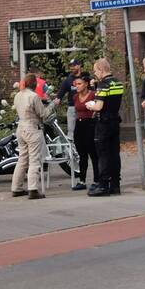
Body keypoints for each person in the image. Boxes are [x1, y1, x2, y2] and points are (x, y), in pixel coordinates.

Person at [86, 58, 124, 196]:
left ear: (101, 70)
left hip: (103, 123)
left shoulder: (103, 85)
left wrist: (90, 105)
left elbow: (99, 106)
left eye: (96, 71)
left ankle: (103, 185)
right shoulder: (118, 83)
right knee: (115, 154)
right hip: (115, 121)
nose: (95, 74)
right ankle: (115, 185)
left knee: (102, 154)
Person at [11, 73, 48, 199]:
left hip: (20, 127)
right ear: (34, 84)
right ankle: (33, 189)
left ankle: (16, 188)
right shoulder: (34, 96)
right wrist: (52, 105)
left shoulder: (17, 95)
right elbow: (42, 113)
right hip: (32, 128)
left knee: (22, 159)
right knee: (34, 159)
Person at [71, 73, 97, 191]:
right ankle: (82, 180)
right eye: (76, 84)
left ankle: (97, 180)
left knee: (93, 153)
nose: (77, 86)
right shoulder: (75, 97)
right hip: (79, 125)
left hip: (90, 124)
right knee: (82, 155)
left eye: (79, 83)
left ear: (86, 84)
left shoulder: (93, 95)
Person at [55, 59, 84, 138]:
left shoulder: (85, 78)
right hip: (72, 108)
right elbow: (60, 93)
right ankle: (72, 149)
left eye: (74, 65)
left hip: (84, 108)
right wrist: (57, 99)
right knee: (71, 131)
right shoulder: (68, 80)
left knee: (85, 130)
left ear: (79, 65)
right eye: (71, 66)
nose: (72, 68)